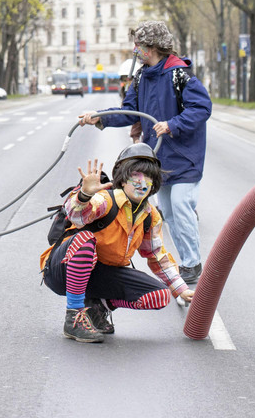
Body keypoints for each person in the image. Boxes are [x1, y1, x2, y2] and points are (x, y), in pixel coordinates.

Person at [78, 21, 212, 285]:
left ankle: (191, 263)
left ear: (152, 47)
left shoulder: (180, 75)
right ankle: (188, 263)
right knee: (168, 213)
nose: (135, 50)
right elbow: (129, 111)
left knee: (181, 207)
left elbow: (202, 108)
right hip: (159, 160)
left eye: (138, 45)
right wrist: (99, 117)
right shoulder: (141, 77)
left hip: (185, 158)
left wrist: (172, 124)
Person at [39, 144, 194, 343]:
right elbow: (77, 215)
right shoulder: (105, 200)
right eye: (135, 175)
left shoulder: (150, 216)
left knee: (160, 295)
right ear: (122, 178)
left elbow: (157, 256)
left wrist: (181, 289)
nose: (141, 182)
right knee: (85, 240)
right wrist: (84, 195)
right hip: (62, 270)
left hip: (101, 275)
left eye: (148, 176)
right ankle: (75, 317)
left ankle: (97, 308)